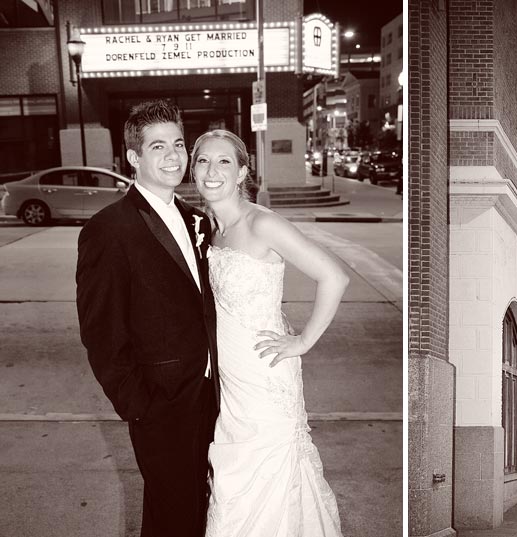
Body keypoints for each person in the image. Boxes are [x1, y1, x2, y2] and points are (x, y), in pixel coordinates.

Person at [192, 129, 349, 536]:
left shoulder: (263, 224)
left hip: (265, 374)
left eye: (224, 161)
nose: (212, 171)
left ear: (242, 170)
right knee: (235, 477)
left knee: (267, 476)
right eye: (203, 161)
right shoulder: (214, 228)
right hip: (232, 381)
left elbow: (334, 276)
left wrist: (302, 342)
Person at [76, 100, 218, 536]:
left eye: (178, 143)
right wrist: (139, 407)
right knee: (174, 514)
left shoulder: (198, 220)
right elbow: (101, 332)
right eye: (158, 147)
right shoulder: (109, 228)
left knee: (199, 508)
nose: (174, 156)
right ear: (134, 158)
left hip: (214, 396)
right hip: (161, 405)